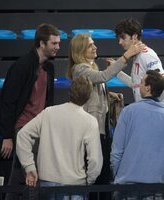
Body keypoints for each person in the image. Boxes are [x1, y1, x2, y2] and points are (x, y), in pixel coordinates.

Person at [67, 33, 144, 200]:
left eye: (94, 44)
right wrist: (126, 56)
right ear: (80, 50)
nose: (95, 47)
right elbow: (102, 77)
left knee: (103, 177)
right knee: (97, 179)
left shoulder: (91, 67)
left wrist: (111, 95)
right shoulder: (80, 69)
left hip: (101, 131)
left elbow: (92, 94)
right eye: (90, 45)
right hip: (91, 133)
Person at [0, 23, 60, 200]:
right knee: (27, 174)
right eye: (54, 43)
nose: (58, 47)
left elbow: (48, 102)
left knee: (22, 175)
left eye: (58, 43)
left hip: (39, 127)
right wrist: (7, 135)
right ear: (41, 44)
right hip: (22, 128)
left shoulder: (49, 68)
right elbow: (8, 101)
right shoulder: (22, 66)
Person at [16, 75, 103, 200]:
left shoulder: (49, 112)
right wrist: (89, 180)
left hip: (47, 183)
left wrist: (29, 166)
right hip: (74, 186)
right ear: (89, 96)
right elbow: (95, 159)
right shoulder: (90, 121)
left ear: (70, 91)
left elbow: (22, 135)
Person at [110, 70, 164, 200]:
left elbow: (116, 150)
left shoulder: (128, 112)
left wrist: (119, 175)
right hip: (156, 186)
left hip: (127, 186)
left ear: (148, 87)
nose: (138, 85)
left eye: (141, 82)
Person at [115, 18, 164, 102]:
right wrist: (117, 72)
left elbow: (160, 83)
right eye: (119, 38)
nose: (120, 42)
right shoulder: (137, 56)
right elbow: (135, 84)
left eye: (123, 37)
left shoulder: (147, 55)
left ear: (134, 36)